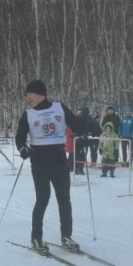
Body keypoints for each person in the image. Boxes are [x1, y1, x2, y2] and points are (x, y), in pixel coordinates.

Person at [15, 80, 82, 253]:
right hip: (39, 161)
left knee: (64, 199)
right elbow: (20, 136)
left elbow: (76, 124)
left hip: (59, 159)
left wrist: (87, 132)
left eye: (29, 94)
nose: (27, 97)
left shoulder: (59, 108)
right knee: (43, 198)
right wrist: (23, 148)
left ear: (38, 93)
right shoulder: (28, 114)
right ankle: (36, 238)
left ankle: (66, 236)